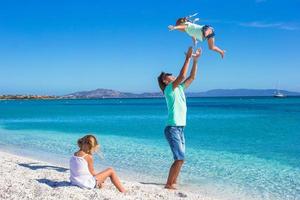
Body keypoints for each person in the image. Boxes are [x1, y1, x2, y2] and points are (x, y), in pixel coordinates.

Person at [157, 46, 201, 189]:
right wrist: (187, 58)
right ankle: (169, 184)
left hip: (180, 128)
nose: (172, 75)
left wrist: (195, 61)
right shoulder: (169, 89)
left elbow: (191, 77)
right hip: (172, 128)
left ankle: (173, 182)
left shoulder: (180, 88)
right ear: (165, 81)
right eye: (169, 74)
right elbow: (182, 76)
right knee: (179, 158)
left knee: (181, 159)